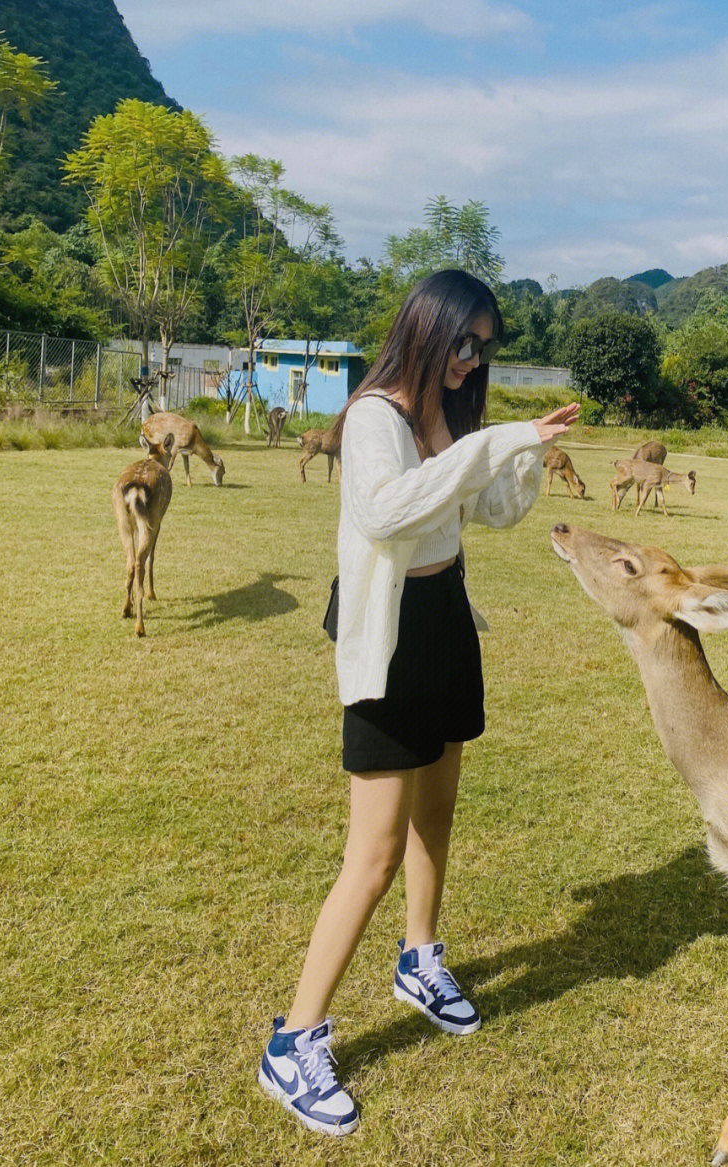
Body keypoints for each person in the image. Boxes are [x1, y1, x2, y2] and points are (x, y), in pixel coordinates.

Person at [258, 269, 579, 1135]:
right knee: (373, 854)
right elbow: (387, 510)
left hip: (445, 619)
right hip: (387, 635)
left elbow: (496, 508)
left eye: (485, 347)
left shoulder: (450, 415)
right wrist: (493, 438)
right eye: (464, 341)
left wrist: (527, 455)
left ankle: (420, 957)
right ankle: (293, 1040)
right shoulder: (374, 417)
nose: (473, 359)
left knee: (436, 815)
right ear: (427, 328)